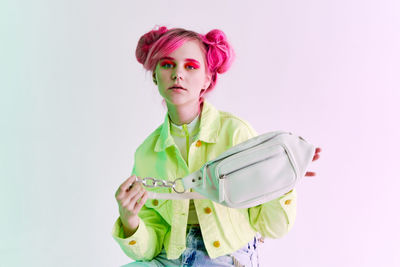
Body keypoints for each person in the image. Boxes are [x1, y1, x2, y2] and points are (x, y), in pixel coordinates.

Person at [112, 26, 321, 267]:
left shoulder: (235, 133)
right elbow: (148, 250)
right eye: (167, 64)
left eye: (191, 66)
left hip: (225, 258)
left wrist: (283, 183)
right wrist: (130, 220)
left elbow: (271, 227)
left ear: (207, 79)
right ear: (155, 75)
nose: (178, 74)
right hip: (168, 258)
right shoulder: (147, 152)